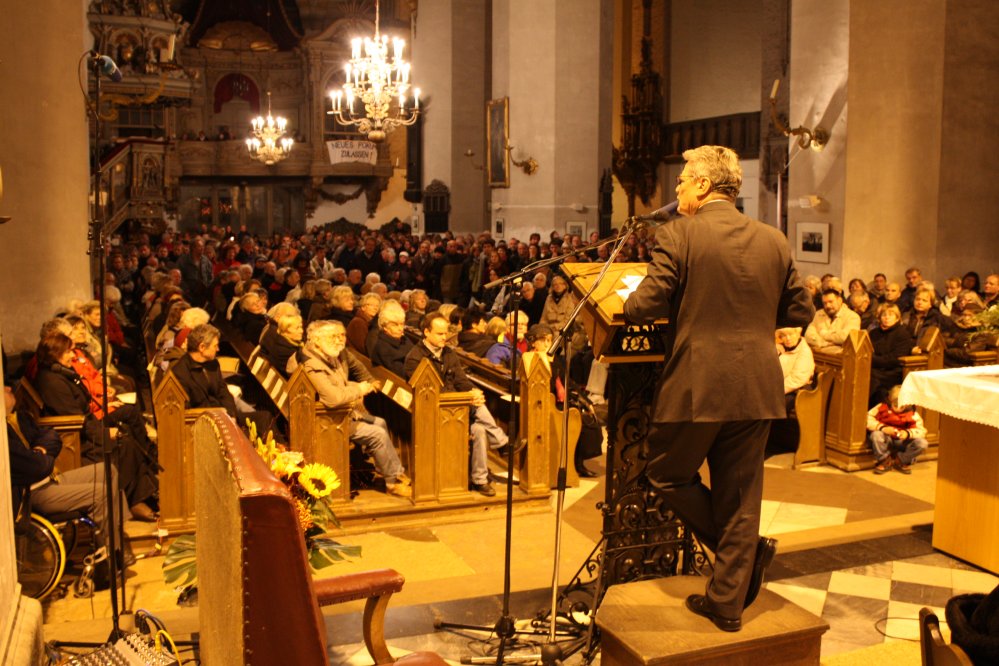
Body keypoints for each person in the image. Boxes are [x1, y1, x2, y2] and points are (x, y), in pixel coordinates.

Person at [622, 145, 814, 632]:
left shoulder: (679, 234)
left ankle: (742, 558)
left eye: (684, 179)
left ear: (705, 186)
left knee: (666, 474)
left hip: (696, 383)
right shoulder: (773, 239)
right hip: (757, 384)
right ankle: (728, 601)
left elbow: (646, 305)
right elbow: (799, 312)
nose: (679, 188)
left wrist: (627, 301)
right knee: (741, 496)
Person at [33, 333, 159, 520]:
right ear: (55, 354)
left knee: (127, 437)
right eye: (68, 352)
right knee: (124, 445)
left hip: (86, 426)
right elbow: (74, 420)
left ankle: (141, 496)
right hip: (75, 439)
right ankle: (134, 500)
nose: (72, 356)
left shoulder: (60, 373)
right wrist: (104, 432)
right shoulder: (51, 382)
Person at [287, 321, 411, 498]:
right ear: (316, 341)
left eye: (340, 336)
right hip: (327, 420)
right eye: (333, 337)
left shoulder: (328, 355)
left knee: (380, 422)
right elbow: (333, 398)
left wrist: (360, 385)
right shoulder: (312, 365)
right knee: (377, 434)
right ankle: (393, 483)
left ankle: (389, 471)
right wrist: (359, 389)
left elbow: (340, 384)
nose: (339, 340)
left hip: (341, 414)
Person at [404, 313, 508, 497]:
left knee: (479, 430)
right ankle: (502, 443)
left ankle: (480, 480)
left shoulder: (448, 353)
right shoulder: (415, 358)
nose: (444, 337)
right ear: (426, 332)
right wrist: (465, 398)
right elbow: (428, 394)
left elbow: (461, 380)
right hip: (432, 413)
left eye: (445, 333)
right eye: (439, 334)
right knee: (476, 406)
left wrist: (472, 391)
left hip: (457, 409)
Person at [867, 385, 928, 474]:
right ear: (889, 400)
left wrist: (907, 433)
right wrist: (882, 428)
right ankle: (884, 460)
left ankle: (901, 460)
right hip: (886, 438)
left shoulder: (913, 413)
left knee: (922, 443)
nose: (898, 408)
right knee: (876, 435)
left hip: (902, 441)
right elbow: (867, 418)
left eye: (902, 405)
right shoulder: (881, 407)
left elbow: (922, 431)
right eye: (895, 405)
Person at [868, 303, 914, 407]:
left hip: (892, 371)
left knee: (872, 379)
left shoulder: (902, 333)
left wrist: (872, 359)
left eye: (891, 315)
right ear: (879, 317)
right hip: (875, 368)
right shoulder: (874, 333)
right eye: (884, 315)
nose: (887, 317)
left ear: (897, 318)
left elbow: (894, 359)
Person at [804, 289, 861, 353]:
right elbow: (808, 335)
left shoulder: (853, 317)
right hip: (818, 356)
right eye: (824, 303)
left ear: (840, 300)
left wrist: (824, 334)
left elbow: (845, 338)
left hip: (839, 359)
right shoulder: (817, 314)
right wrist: (825, 343)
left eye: (830, 302)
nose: (827, 306)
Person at [370, 300, 414, 377]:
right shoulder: (383, 347)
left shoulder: (404, 339)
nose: (400, 328)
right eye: (395, 325)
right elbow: (401, 374)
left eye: (402, 324)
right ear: (385, 327)